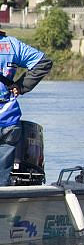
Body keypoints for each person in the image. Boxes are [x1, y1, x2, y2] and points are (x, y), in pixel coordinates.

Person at [0, 30, 52, 186]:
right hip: (9, 119)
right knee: (2, 182)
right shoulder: (11, 44)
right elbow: (43, 62)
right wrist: (21, 86)